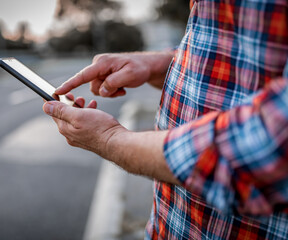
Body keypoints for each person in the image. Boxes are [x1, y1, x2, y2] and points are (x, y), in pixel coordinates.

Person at [43, 0, 288, 239]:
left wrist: (110, 140)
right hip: (174, 223)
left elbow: (270, 142)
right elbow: (241, 48)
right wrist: (161, 64)